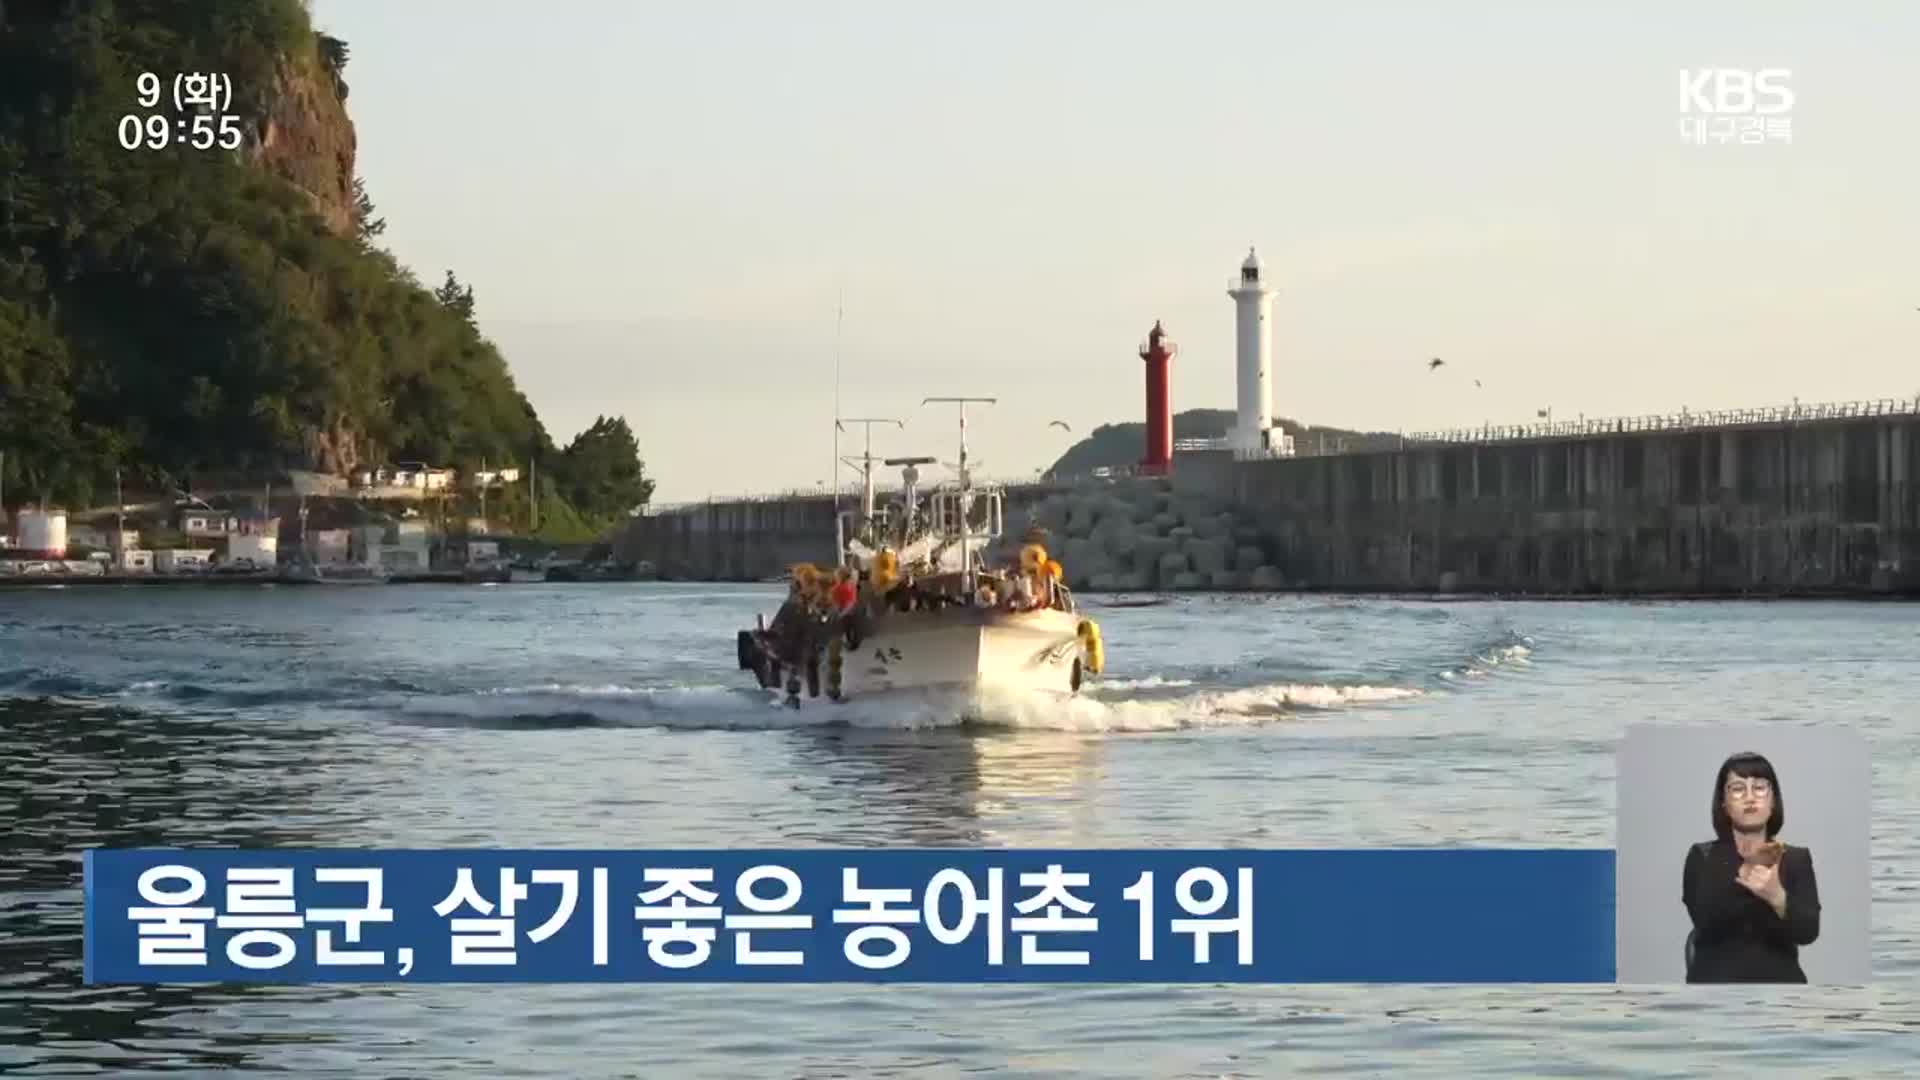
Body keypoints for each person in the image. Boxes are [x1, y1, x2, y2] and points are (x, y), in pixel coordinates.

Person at [1681, 751, 1820, 983]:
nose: (1749, 798)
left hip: (1782, 990)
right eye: (1737, 789)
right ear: (1724, 804)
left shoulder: (1796, 858)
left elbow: (1808, 932)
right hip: (1715, 987)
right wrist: (1748, 869)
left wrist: (1777, 896)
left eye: (1759, 788)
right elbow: (1706, 923)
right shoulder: (1701, 856)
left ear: (1773, 800)